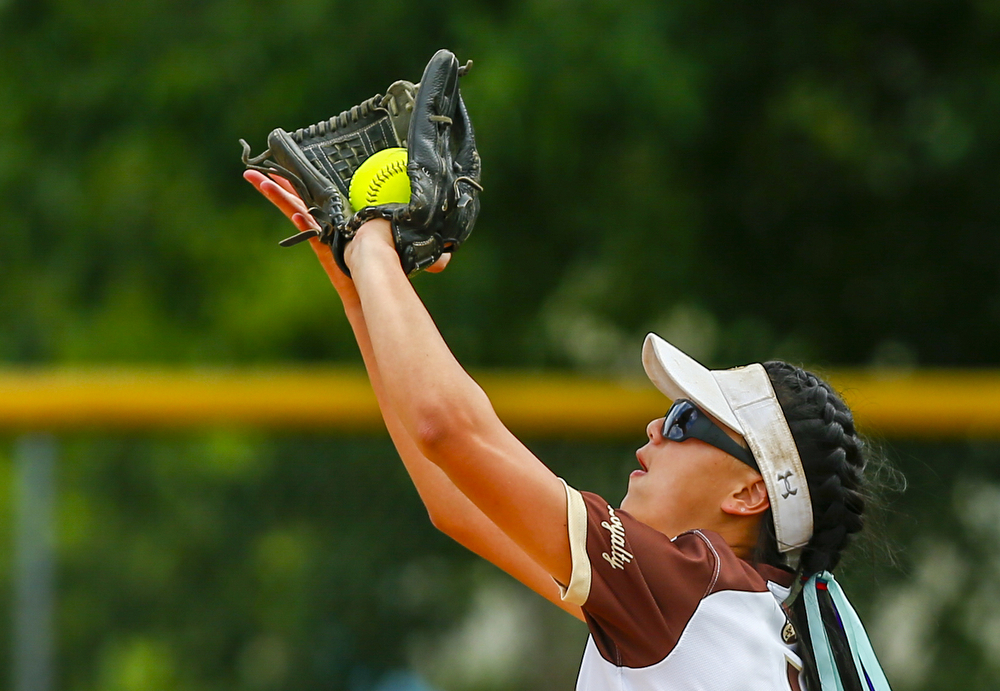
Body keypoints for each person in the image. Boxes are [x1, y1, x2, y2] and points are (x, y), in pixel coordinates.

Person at [244, 168, 892, 691]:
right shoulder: (731, 613)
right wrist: (364, 293)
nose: (655, 428)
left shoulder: (692, 589)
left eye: (687, 419)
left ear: (751, 493)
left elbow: (447, 426)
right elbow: (459, 503)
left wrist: (373, 245)